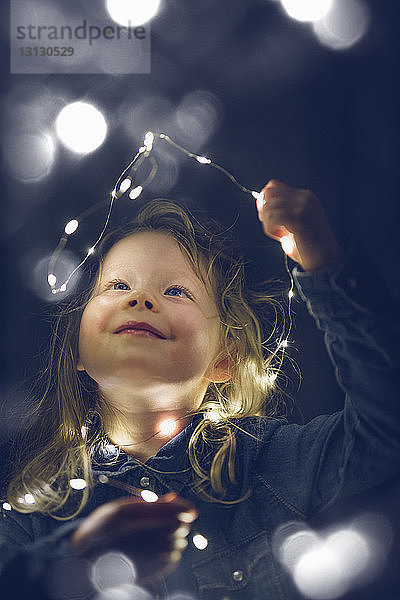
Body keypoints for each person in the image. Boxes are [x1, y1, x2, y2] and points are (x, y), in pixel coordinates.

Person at [1, 180, 399, 600]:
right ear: (77, 349)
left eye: (176, 291)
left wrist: (325, 265)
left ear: (223, 358)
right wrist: (72, 560)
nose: (140, 299)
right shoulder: (35, 517)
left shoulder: (271, 467)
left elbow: (385, 428)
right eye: (117, 286)